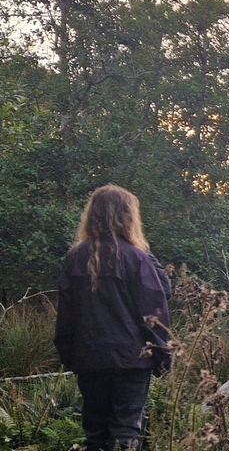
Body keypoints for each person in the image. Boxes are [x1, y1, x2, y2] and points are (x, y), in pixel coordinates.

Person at [54, 184, 170, 451]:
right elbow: (155, 311)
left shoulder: (74, 257)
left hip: (90, 357)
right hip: (132, 359)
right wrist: (162, 355)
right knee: (127, 428)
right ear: (128, 215)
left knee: (95, 431)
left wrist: (70, 354)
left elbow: (66, 316)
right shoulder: (137, 258)